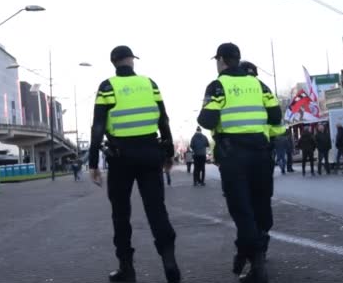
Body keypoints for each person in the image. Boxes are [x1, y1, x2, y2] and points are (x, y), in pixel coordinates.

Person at [88, 45, 181, 283]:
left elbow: (98, 126)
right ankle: (169, 261)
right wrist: (169, 152)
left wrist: (92, 163)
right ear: (131, 60)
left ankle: (126, 268)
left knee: (121, 214)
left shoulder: (107, 87)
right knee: (156, 210)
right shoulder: (149, 84)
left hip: (121, 157)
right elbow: (164, 119)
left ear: (113, 62)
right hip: (151, 153)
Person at [198, 42, 281, 283]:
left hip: (234, 156)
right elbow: (275, 115)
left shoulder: (217, 86)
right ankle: (253, 255)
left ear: (221, 60)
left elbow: (207, 120)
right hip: (260, 153)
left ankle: (255, 265)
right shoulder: (258, 84)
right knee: (260, 206)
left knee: (242, 210)